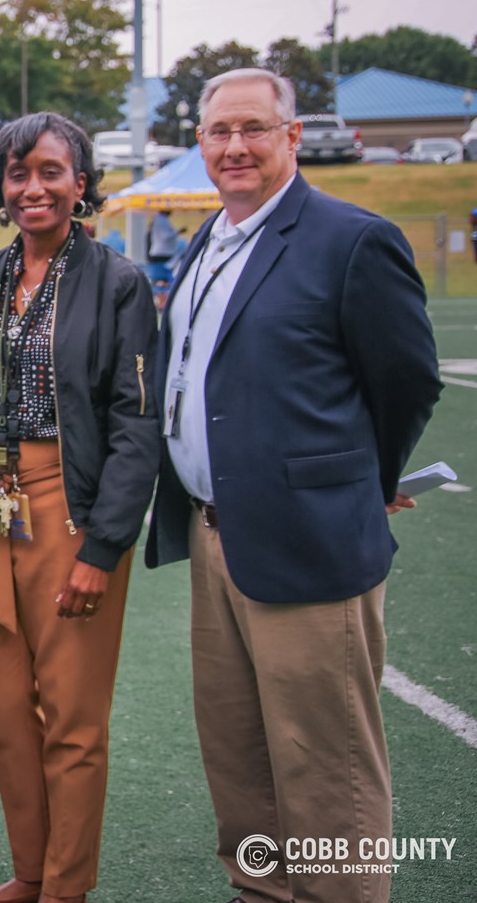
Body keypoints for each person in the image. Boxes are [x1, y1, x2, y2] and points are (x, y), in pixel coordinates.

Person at [145, 68, 442, 903]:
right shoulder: (208, 241)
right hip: (215, 533)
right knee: (239, 753)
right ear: (199, 143)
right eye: (218, 132)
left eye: (252, 128)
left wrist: (361, 480)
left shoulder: (351, 239)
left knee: (326, 765)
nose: (234, 147)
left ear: (293, 135)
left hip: (308, 540)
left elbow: (408, 381)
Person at [0, 113, 160, 903]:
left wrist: (104, 546)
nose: (32, 187)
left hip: (66, 512)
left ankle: (65, 890)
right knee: (2, 710)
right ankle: (28, 875)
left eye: (49, 171)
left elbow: (138, 422)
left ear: (80, 182)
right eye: (15, 173)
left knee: (71, 720)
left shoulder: (118, 282)